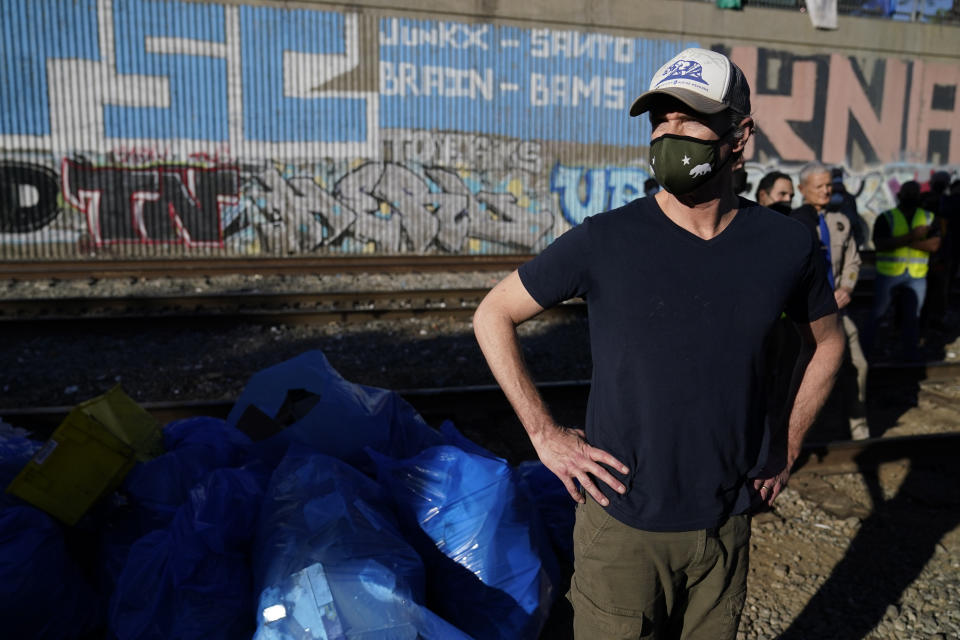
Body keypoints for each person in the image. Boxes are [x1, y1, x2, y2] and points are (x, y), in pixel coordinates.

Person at [473, 47, 845, 639]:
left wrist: (786, 445)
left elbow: (827, 345)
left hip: (725, 527)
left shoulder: (784, 245)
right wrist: (545, 433)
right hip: (622, 529)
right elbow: (492, 314)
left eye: (688, 117)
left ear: (739, 134)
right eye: (659, 119)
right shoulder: (605, 240)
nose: (669, 133)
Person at [791, 163, 869, 440]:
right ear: (802, 189)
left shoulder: (841, 222)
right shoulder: (790, 223)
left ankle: (858, 425)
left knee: (857, 365)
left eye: (829, 185)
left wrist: (847, 286)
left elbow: (853, 260)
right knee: (800, 372)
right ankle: (798, 431)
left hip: (837, 311)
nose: (827, 191)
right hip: (802, 314)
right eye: (820, 186)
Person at [863, 180, 941, 362]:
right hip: (889, 274)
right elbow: (881, 244)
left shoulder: (929, 218)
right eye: (908, 194)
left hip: (916, 275)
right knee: (878, 314)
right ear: (899, 196)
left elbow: (934, 245)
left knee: (912, 317)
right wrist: (913, 237)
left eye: (914, 194)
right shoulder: (887, 217)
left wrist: (900, 241)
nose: (911, 197)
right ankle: (865, 352)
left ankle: (909, 355)